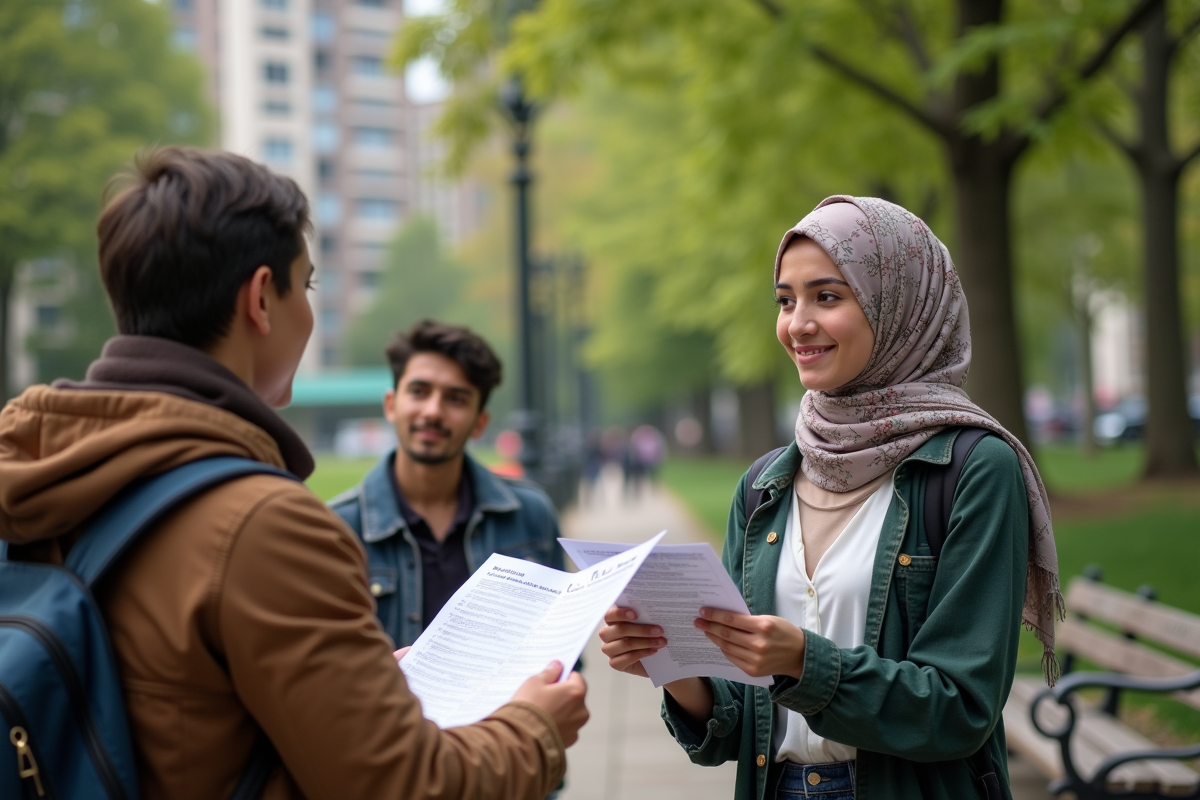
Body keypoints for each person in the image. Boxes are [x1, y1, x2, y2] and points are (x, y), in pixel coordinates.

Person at [0, 146, 587, 799]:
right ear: (260, 299)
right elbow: (402, 786)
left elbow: (171, 713)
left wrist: (357, 689)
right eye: (304, 285)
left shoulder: (36, 470)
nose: (308, 313)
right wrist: (533, 727)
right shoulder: (266, 525)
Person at [597, 196, 1062, 800]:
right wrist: (675, 667)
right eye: (786, 301)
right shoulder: (764, 485)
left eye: (828, 296)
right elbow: (739, 724)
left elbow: (959, 709)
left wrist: (804, 663)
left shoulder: (973, 467)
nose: (797, 323)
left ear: (898, 306)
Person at [329, 319, 564, 649]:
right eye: (419, 392)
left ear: (479, 422)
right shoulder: (336, 529)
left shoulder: (530, 515)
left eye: (455, 398)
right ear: (390, 405)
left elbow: (561, 653)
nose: (433, 411)